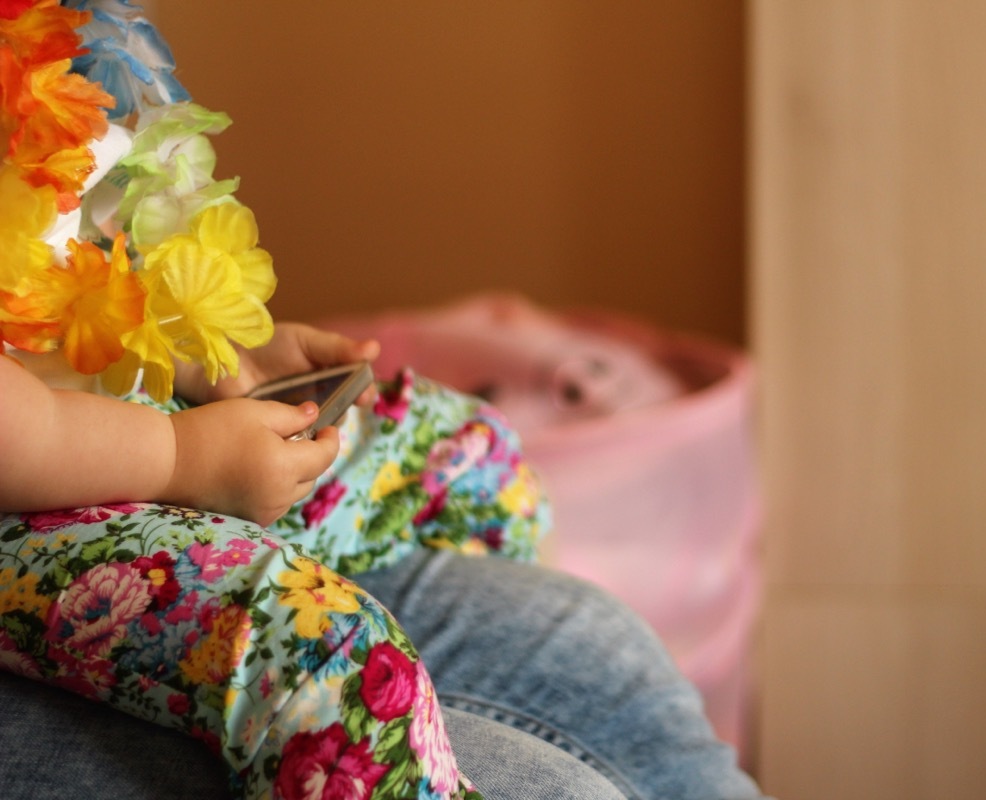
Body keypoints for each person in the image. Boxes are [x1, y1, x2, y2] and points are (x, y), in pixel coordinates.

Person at [0, 3, 769, 799]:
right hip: (34, 514)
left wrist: (217, 355)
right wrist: (182, 459)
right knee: (318, 651)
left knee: (465, 458)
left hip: (147, 429)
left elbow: (94, 253)